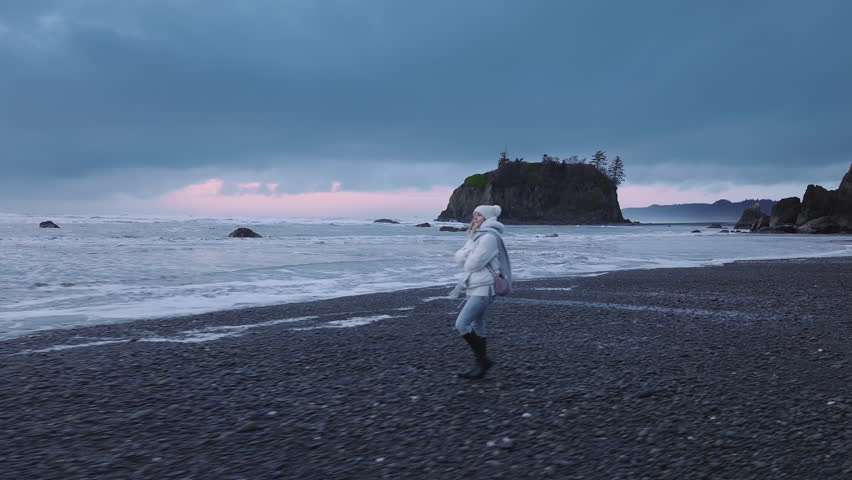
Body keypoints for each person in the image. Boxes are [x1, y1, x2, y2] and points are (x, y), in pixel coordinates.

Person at [449, 204, 512, 379]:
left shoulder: (489, 237)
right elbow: (458, 258)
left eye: (479, 215)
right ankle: (481, 365)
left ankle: (483, 360)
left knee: (461, 324)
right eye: (474, 214)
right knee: (478, 324)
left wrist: (468, 255)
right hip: (473, 285)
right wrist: (469, 254)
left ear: (487, 218)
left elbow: (471, 264)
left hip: (485, 287)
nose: (474, 218)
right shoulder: (476, 235)